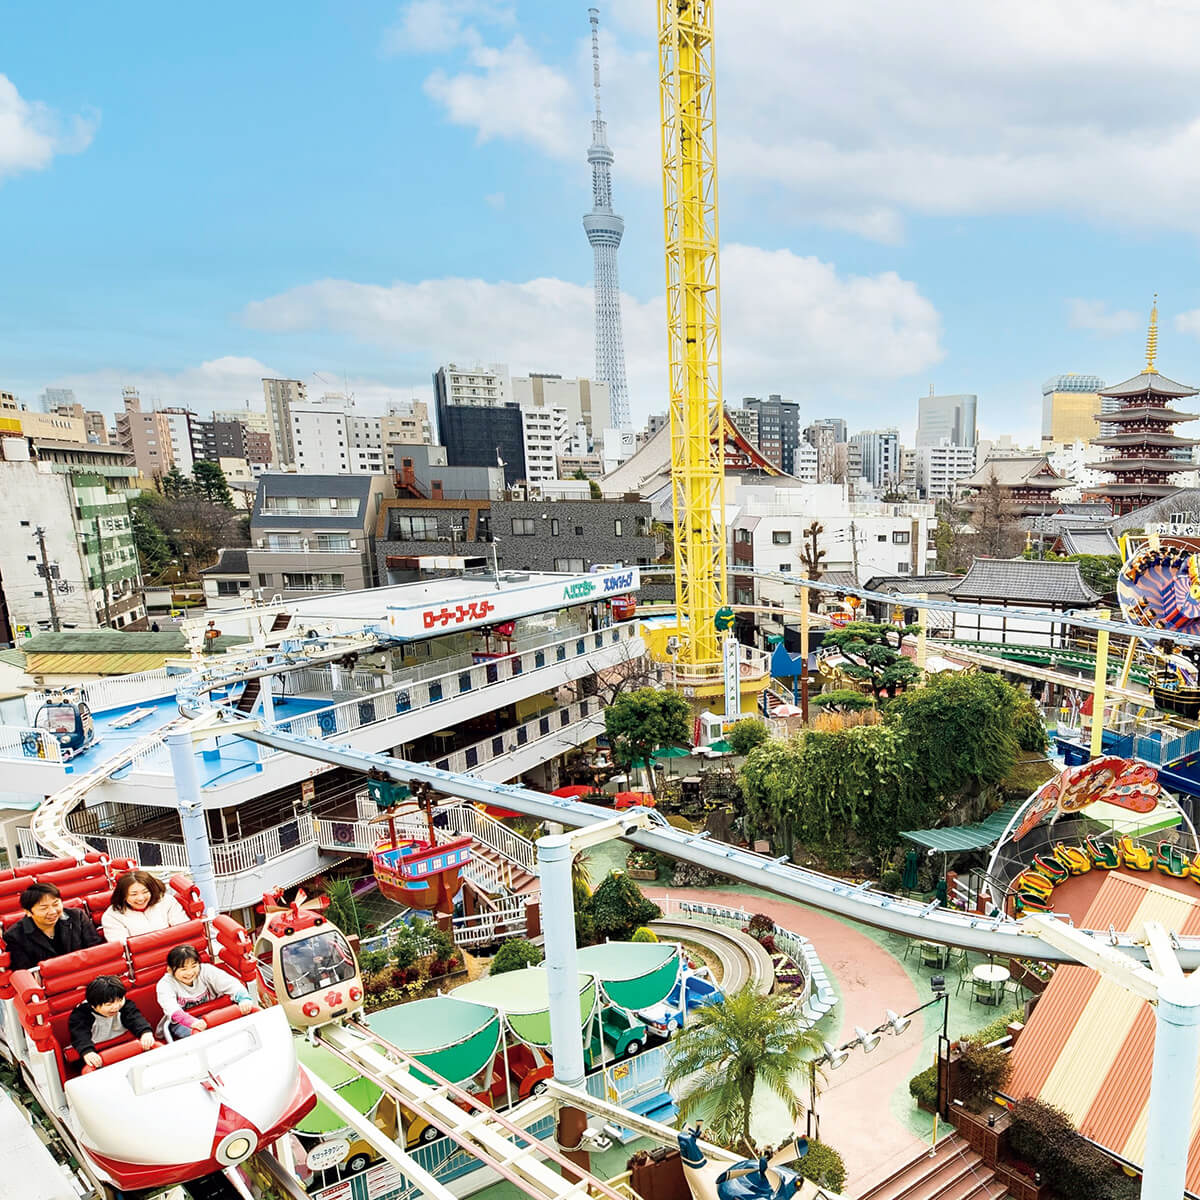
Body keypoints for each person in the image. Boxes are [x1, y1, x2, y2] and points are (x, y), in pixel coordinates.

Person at [155, 944, 256, 1039]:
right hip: (183, 1022)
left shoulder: (206, 970)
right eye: (183, 969)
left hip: (212, 1013)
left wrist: (244, 999)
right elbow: (171, 1008)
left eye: (194, 966)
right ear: (170, 970)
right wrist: (192, 1022)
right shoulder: (165, 984)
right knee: (205, 1037)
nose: (190, 973)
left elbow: (231, 984)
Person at [3, 882, 103, 971]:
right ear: (28, 912)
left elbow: (96, 949)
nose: (52, 912)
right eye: (44, 908)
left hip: (85, 973)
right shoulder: (15, 936)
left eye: (55, 904)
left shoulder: (77, 916)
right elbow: (25, 972)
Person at [68, 974, 156, 1069]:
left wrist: (145, 1032)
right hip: (96, 1050)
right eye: (109, 1004)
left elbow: (135, 1018)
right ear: (93, 1006)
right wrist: (87, 1051)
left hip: (122, 1044)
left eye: (120, 1000)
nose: (116, 1007)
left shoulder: (125, 1005)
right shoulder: (80, 1015)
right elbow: (80, 1035)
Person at [101, 870, 190, 942]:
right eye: (133, 894)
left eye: (145, 892)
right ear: (123, 895)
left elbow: (184, 929)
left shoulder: (167, 901)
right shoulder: (112, 916)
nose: (141, 898)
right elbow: (122, 948)